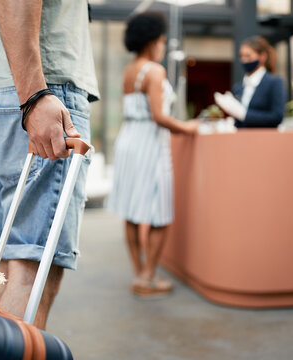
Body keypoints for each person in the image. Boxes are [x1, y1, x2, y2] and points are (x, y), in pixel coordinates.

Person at [0, 0, 99, 329]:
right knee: (29, 268)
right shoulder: (35, 95)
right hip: (38, 92)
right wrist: (33, 95)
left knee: (8, 266)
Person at [107, 11, 198, 296]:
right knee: (160, 212)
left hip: (128, 141)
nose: (163, 43)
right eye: (161, 39)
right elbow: (159, 116)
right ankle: (148, 278)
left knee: (132, 212)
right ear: (153, 41)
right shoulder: (155, 71)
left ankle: (139, 274)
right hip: (149, 143)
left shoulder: (130, 69)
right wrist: (188, 127)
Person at [214, 35, 286, 128]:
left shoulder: (274, 83)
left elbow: (277, 117)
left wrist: (244, 115)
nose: (244, 60)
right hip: (241, 139)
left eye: (248, 56)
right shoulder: (238, 87)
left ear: (262, 56)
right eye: (242, 56)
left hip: (264, 139)